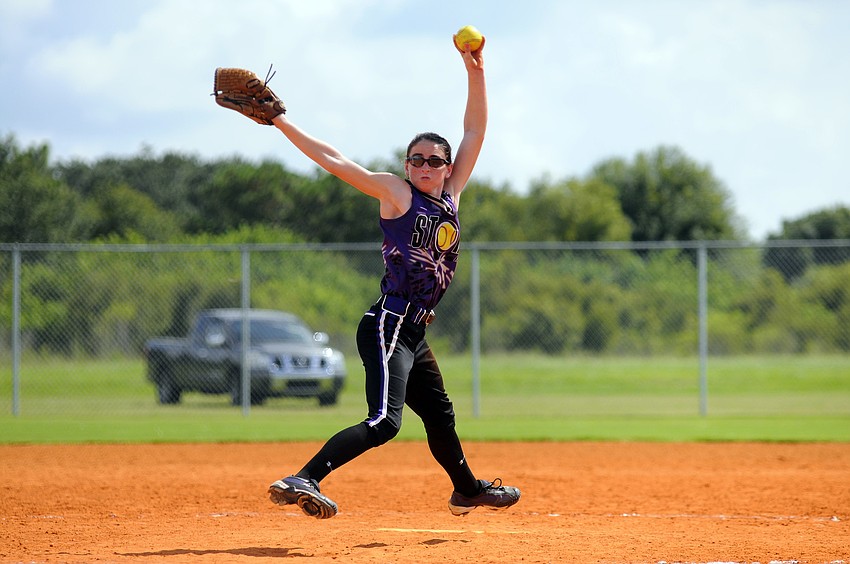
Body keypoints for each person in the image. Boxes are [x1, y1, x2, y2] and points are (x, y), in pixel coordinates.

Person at [265, 32, 520, 519]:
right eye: (416, 159)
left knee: (441, 418)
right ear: (407, 165)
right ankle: (306, 477)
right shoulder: (397, 194)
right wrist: (280, 121)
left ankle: (466, 490)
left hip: (415, 330)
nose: (425, 165)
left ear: (447, 169)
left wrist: (476, 72)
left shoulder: (450, 197)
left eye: (434, 160)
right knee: (385, 421)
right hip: (388, 323)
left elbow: (474, 132)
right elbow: (335, 161)